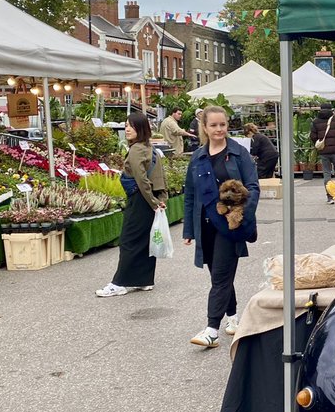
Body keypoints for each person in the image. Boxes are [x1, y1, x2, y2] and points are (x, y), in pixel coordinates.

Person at [184, 105, 260, 348]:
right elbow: (190, 195)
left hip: (230, 224)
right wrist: (188, 230)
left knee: (220, 277)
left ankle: (211, 329)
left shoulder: (239, 153)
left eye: (223, 124)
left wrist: (242, 217)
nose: (219, 129)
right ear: (205, 128)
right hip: (205, 225)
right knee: (220, 274)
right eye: (214, 125)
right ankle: (233, 317)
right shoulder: (197, 157)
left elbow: (253, 187)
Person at [97, 113, 168, 298]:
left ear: (141, 129)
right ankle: (144, 280)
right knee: (145, 240)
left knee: (128, 241)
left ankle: (119, 283)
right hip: (150, 200)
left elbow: (141, 179)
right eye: (126, 125)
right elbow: (160, 177)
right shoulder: (150, 148)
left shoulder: (136, 149)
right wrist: (161, 199)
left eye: (131, 126)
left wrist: (152, 203)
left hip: (140, 200)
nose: (127, 129)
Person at [310, 103, 335, 203]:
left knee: (327, 173)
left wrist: (319, 144)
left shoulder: (316, 121)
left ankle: (330, 197)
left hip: (324, 151)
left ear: (320, 110)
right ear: (331, 110)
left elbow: (313, 136)